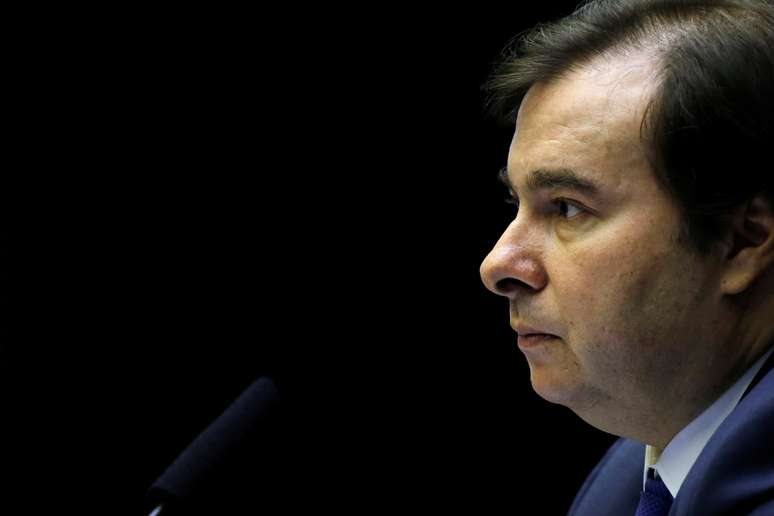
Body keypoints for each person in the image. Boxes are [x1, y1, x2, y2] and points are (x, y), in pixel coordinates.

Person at [478, 1, 774, 514]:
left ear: (743, 242)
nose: (498, 264)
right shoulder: (626, 483)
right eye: (516, 204)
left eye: (567, 209)